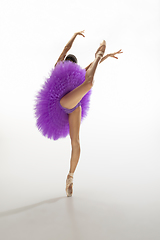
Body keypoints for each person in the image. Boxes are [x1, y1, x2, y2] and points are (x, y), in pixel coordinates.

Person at [35, 30, 123, 197]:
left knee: (76, 141)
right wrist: (74, 36)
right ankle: (99, 52)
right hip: (61, 103)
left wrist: (108, 56)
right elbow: (65, 50)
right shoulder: (58, 67)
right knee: (89, 83)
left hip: (75, 106)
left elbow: (90, 67)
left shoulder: (78, 73)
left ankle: (70, 177)